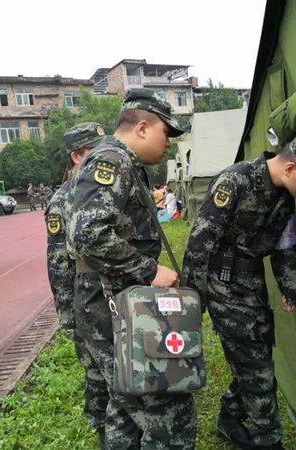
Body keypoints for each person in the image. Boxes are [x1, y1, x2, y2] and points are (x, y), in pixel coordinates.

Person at [182, 128, 296, 449]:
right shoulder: (235, 182)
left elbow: (285, 247)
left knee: (259, 350)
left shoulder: (284, 198)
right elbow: (200, 242)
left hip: (251, 283)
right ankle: (268, 439)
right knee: (257, 367)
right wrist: (191, 301)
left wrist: (290, 290)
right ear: (292, 168)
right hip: (220, 281)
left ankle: (229, 418)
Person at [66, 88, 195, 449]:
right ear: (141, 127)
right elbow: (87, 233)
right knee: (169, 411)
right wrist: (149, 271)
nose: (168, 142)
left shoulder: (128, 164)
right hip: (111, 305)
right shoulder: (111, 162)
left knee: (126, 406)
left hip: (116, 303)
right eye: (165, 133)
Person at [45, 122, 109, 446]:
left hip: (118, 292)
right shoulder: (62, 199)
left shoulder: (107, 187)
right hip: (88, 295)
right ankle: (103, 428)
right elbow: (58, 263)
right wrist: (68, 317)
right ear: (75, 156)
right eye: (93, 152)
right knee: (97, 371)